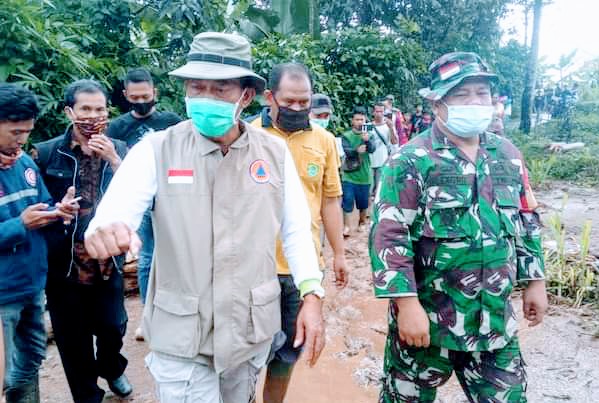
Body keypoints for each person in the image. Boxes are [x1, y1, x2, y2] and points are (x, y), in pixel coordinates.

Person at [83, 32, 326, 403]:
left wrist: (311, 294)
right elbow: (117, 211)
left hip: (248, 330)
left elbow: (295, 231)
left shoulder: (274, 155)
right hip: (182, 334)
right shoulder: (157, 150)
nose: (206, 98)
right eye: (197, 87)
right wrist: (106, 230)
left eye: (220, 89)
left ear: (246, 96)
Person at [370, 51, 547, 402]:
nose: (475, 102)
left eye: (481, 93)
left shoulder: (507, 155)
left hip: (494, 322)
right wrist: (406, 306)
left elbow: (526, 219)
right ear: (437, 103)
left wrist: (536, 282)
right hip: (427, 325)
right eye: (461, 95)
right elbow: (389, 235)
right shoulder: (410, 160)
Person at [251, 63, 348, 403]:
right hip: (253, 267)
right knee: (245, 351)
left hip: (300, 270)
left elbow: (331, 201)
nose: (296, 109)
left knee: (287, 353)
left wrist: (338, 254)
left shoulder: (324, 141)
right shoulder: (247, 136)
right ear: (269, 97)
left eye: (303, 102)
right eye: (288, 101)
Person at [34, 79, 130, 403]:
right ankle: (88, 397)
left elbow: (138, 195)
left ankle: (113, 367)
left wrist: (115, 160)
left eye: (99, 109)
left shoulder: (120, 147)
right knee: (72, 342)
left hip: (108, 261)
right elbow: (35, 205)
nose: (93, 117)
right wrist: (54, 209)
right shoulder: (47, 153)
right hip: (64, 266)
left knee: (113, 327)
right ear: (69, 112)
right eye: (85, 109)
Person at [0, 83, 77, 402]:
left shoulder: (24, 164)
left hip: (31, 283)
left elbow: (41, 202)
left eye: (27, 132)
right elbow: (24, 220)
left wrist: (57, 210)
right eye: (15, 131)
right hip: (3, 293)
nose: (22, 140)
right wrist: (21, 224)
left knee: (32, 357)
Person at [106, 68, 182, 341]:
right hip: (143, 202)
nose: (141, 101)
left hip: (175, 197)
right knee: (148, 258)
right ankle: (149, 317)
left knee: (177, 256)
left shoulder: (172, 121)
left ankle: (176, 315)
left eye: (145, 95)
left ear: (155, 93)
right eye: (135, 96)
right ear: (126, 95)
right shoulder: (117, 127)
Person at [340, 107, 375, 237]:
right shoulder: (346, 135)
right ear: (352, 121)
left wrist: (367, 140)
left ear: (365, 120)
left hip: (365, 175)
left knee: (363, 202)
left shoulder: (369, 135)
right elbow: (346, 151)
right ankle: (347, 226)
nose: (359, 122)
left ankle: (362, 222)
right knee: (347, 200)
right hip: (349, 174)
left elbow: (372, 149)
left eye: (362, 119)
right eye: (357, 119)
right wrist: (356, 151)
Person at [369, 102, 396, 198]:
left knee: (379, 189)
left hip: (382, 161)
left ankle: (374, 211)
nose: (379, 114)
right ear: (373, 112)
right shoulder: (368, 126)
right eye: (377, 111)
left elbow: (394, 142)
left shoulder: (388, 125)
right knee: (369, 188)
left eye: (381, 111)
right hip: (369, 162)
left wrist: (392, 128)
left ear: (384, 112)